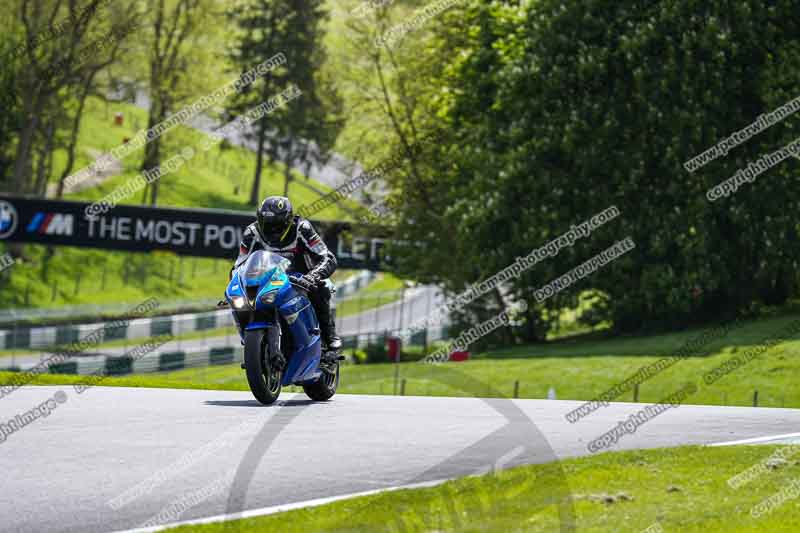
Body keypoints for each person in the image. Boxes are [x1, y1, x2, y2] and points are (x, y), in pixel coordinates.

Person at [233, 195, 342, 352]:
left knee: (321, 289)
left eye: (275, 225)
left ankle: (329, 335)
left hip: (302, 279)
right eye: (266, 224)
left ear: (288, 220)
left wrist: (313, 276)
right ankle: (250, 339)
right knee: (239, 300)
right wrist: (238, 284)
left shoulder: (302, 228)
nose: (270, 229)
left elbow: (327, 257)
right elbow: (240, 264)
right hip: (267, 281)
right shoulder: (252, 232)